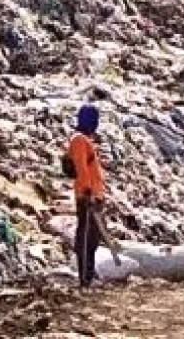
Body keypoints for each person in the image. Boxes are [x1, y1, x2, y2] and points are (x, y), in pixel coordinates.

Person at [68, 102, 108, 287]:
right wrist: (88, 193)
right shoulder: (79, 141)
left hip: (94, 195)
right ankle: (85, 278)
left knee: (92, 239)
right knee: (85, 238)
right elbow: (82, 169)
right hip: (88, 197)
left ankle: (89, 275)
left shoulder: (85, 140)